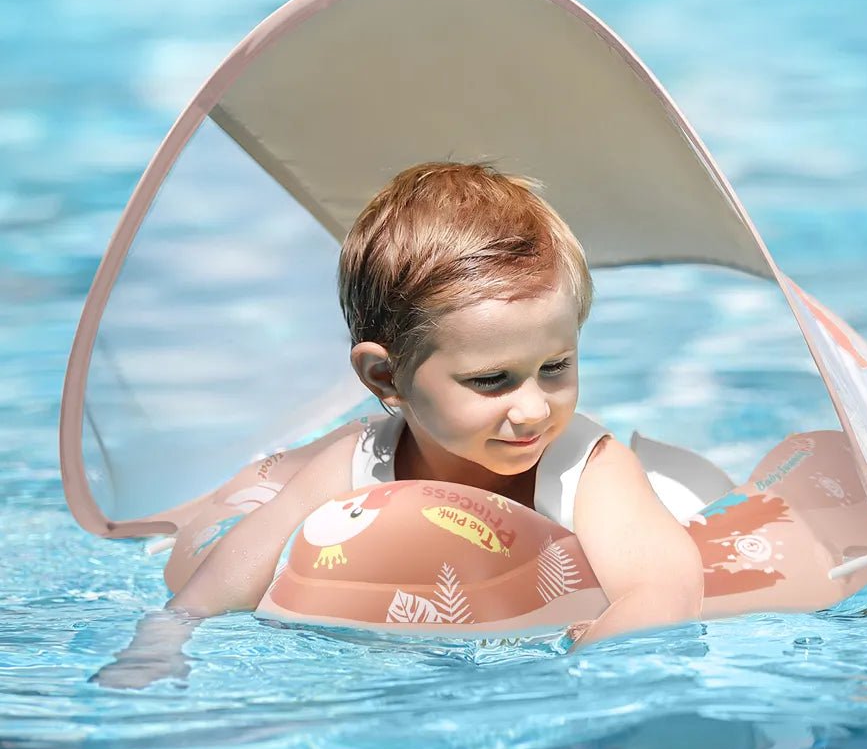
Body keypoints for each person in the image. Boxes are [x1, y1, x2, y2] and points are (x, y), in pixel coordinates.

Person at [94, 163, 703, 686]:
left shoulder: (586, 467)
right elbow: (235, 571)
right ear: (386, 379)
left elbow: (662, 587)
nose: (534, 408)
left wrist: (577, 672)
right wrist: (162, 643)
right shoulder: (357, 464)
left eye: (555, 366)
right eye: (491, 380)